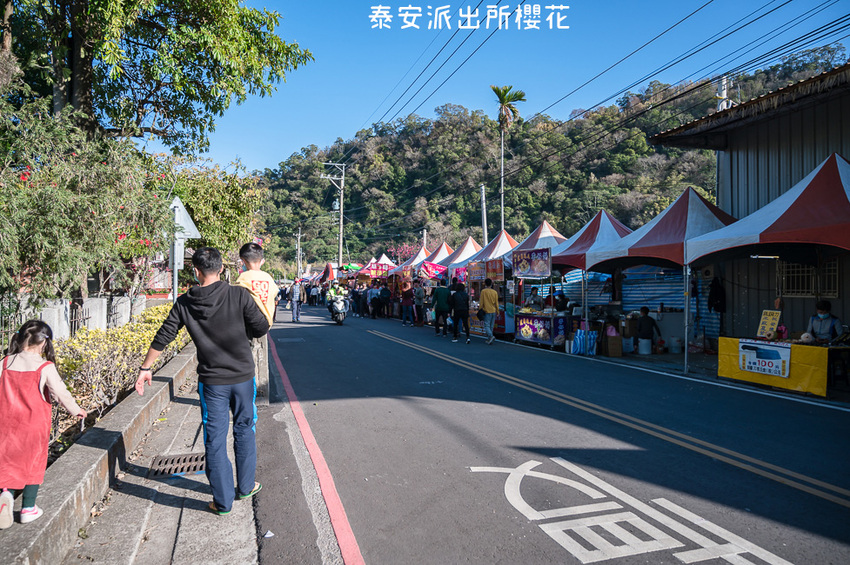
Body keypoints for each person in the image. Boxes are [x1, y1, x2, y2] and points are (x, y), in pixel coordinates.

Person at [136, 247, 269, 516]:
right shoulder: (239, 295)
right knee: (245, 429)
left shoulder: (185, 303)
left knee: (215, 439)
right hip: (243, 378)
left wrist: (145, 368)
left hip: (212, 383)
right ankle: (245, 487)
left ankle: (222, 502)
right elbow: (261, 327)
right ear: (221, 268)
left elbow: (164, 335)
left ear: (195, 271)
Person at [0, 321, 87, 529]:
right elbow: (60, 393)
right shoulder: (44, 367)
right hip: (34, 425)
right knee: (34, 463)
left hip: (6, 423)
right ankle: (28, 508)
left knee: (7, 460)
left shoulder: (5, 362)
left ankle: (6, 494)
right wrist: (76, 410)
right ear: (44, 343)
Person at [235, 243, 280, 327]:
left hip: (247, 324)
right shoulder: (268, 278)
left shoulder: (243, 278)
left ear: (243, 261)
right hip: (265, 324)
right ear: (262, 261)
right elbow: (274, 293)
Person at [480, 278, 500, 345]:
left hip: (486, 310)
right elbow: (496, 303)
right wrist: (498, 311)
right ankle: (489, 339)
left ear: (485, 284)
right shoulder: (494, 292)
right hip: (493, 310)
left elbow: (481, 302)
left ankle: (491, 336)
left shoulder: (483, 291)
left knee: (487, 325)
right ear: (491, 284)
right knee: (491, 326)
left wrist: (480, 309)